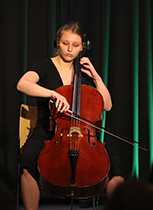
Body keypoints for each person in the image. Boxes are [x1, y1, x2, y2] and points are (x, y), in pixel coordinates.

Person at [16, 21, 124, 210]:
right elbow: (22, 84)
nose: (70, 49)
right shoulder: (44, 66)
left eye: (75, 45)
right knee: (28, 162)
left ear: (82, 46)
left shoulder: (84, 73)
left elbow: (107, 105)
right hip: (48, 132)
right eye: (65, 43)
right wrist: (52, 93)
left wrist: (96, 76)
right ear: (57, 42)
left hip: (84, 136)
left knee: (114, 166)